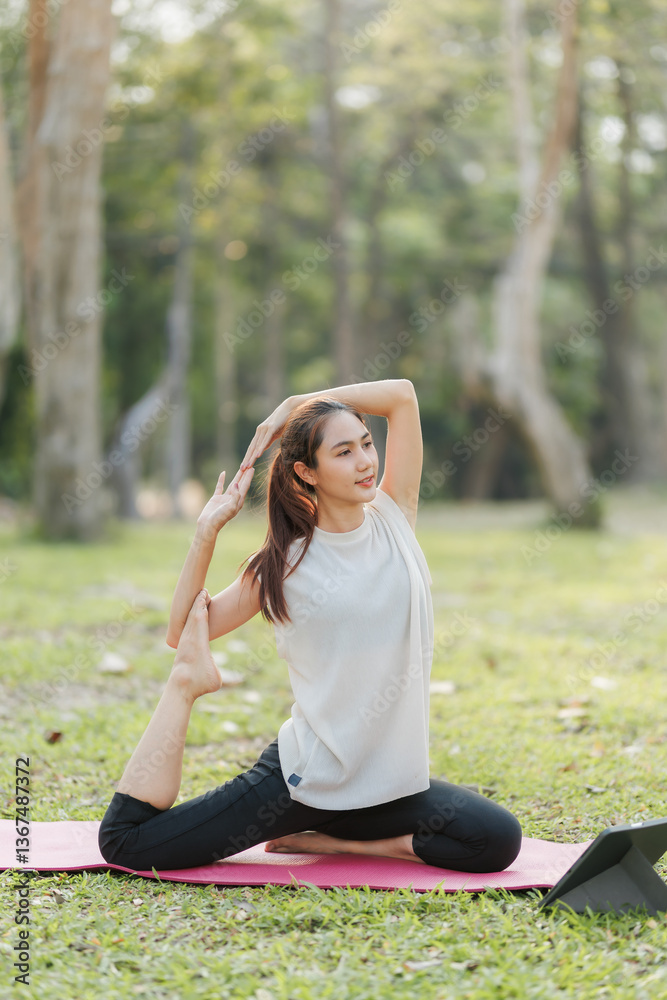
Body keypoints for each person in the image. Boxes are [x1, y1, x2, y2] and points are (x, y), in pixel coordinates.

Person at [98, 380, 521, 872]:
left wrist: (296, 404)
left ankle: (341, 842)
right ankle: (186, 688)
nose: (365, 461)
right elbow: (182, 631)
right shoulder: (282, 564)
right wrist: (206, 532)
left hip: (386, 785)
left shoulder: (395, 517)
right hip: (304, 782)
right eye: (343, 452)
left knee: (497, 839)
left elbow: (402, 395)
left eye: (366, 444)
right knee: (128, 843)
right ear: (307, 472)